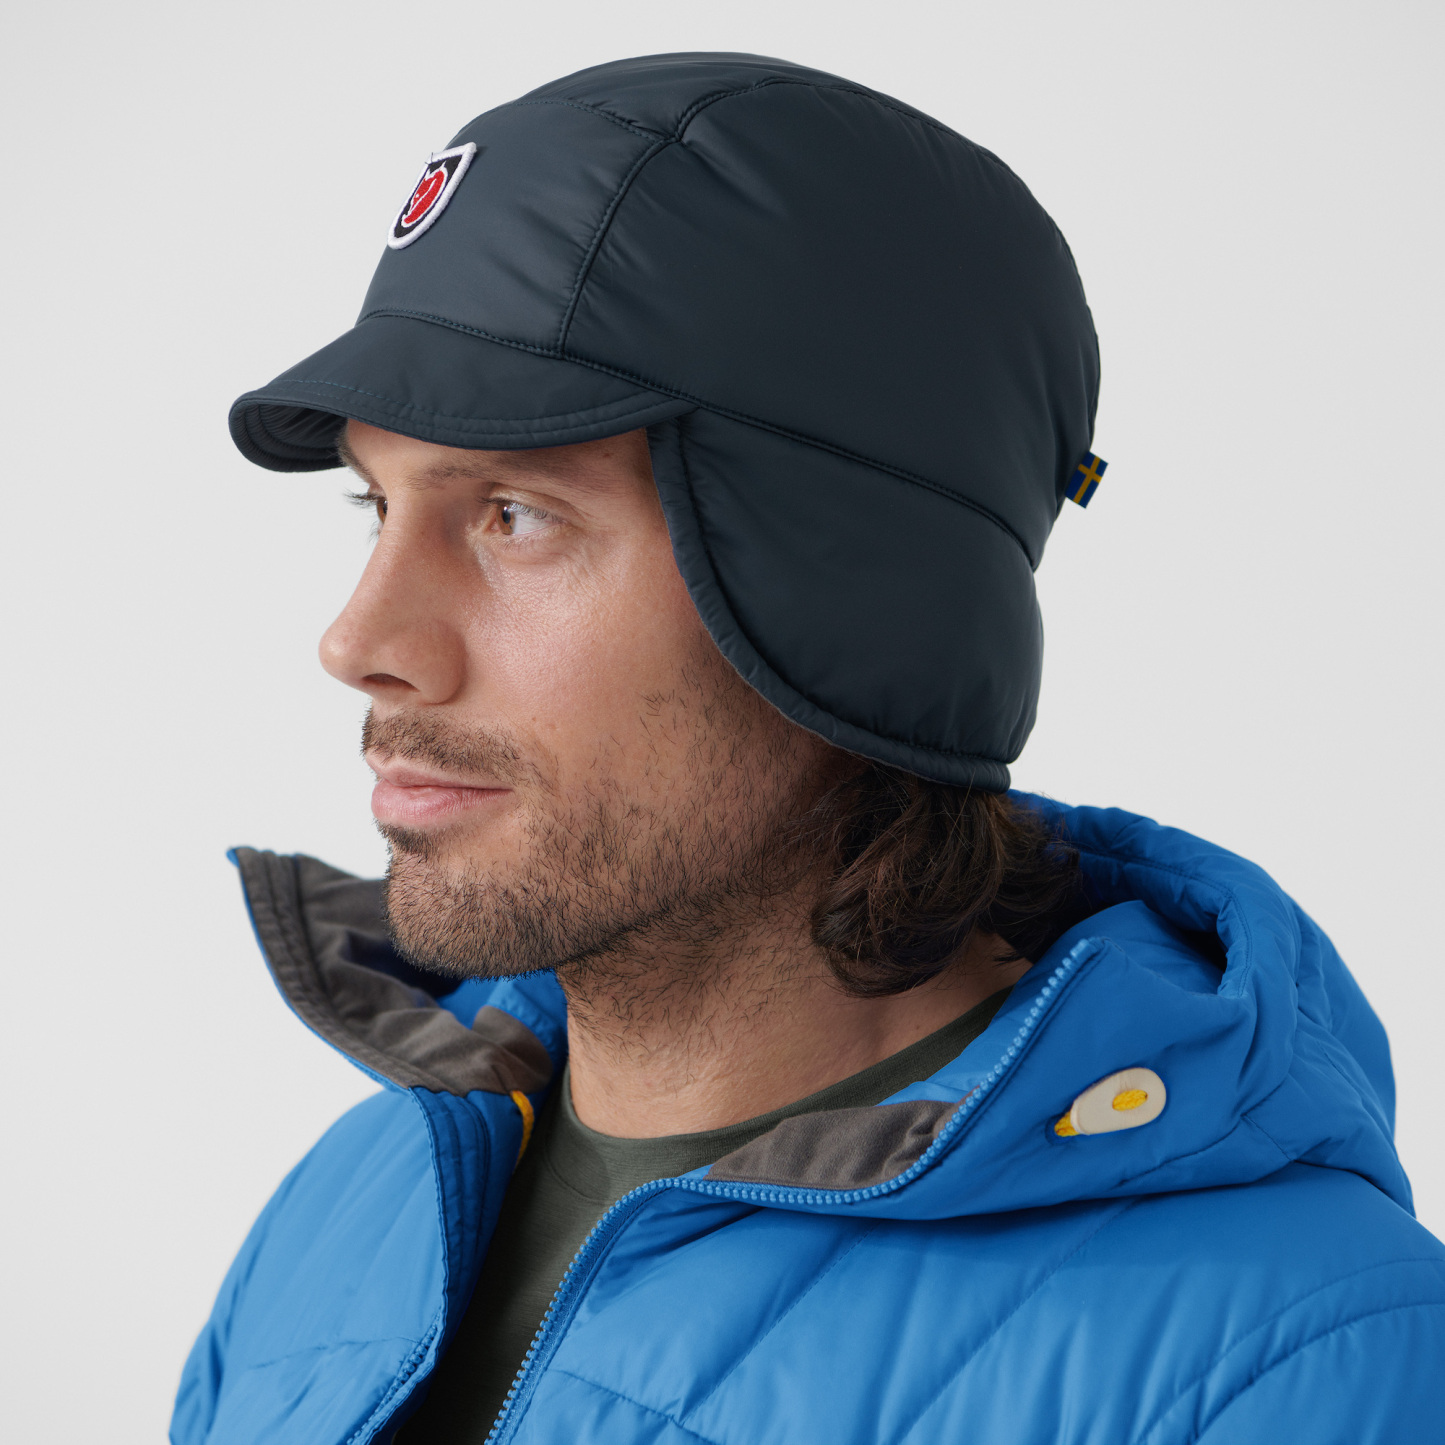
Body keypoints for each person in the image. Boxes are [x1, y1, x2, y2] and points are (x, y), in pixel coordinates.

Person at [174, 51, 1445, 1445]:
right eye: (377, 508)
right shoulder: (352, 1208)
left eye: (513, 515)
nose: (360, 639)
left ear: (856, 602)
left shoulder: (1307, 1356)